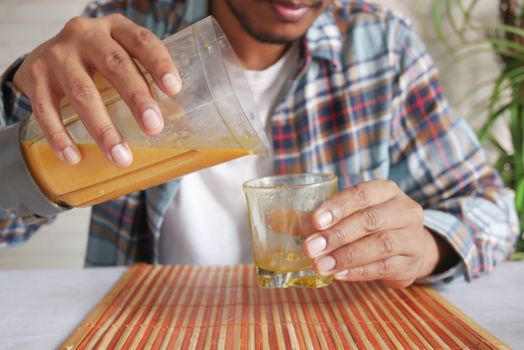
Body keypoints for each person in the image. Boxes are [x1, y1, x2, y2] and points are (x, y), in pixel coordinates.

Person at [0, 0, 519, 288]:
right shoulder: (121, 39)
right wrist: (18, 98)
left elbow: (494, 207)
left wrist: (427, 245)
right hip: (158, 326)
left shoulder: (382, 45)